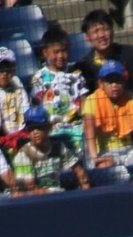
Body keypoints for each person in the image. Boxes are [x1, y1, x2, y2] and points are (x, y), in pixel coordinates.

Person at [81, 60, 133, 170]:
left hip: (130, 150)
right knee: (104, 166)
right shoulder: (92, 100)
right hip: (105, 152)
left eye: (118, 81)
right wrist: (94, 157)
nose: (114, 86)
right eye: (109, 81)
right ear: (101, 84)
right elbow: (88, 128)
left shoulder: (130, 98)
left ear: (124, 82)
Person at [31, 23, 88, 151]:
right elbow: (38, 104)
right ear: (45, 53)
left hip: (76, 127)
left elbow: (84, 100)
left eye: (64, 51)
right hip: (52, 129)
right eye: (56, 52)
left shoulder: (75, 74)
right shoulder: (39, 77)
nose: (61, 56)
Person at [75, 9, 133, 102]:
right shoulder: (84, 65)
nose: (102, 35)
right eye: (96, 31)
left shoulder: (128, 52)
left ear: (112, 31)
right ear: (87, 37)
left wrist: (131, 105)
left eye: (106, 29)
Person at [11, 105, 90, 192]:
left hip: (55, 195)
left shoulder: (58, 146)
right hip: (32, 200)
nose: (35, 132)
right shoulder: (24, 154)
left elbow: (80, 172)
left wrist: (86, 188)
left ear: (48, 127)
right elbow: (32, 189)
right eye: (31, 129)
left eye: (39, 127)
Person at [0, 46, 30, 153]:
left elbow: (26, 112)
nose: (4, 73)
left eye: (8, 69)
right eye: (0, 69)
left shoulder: (17, 83)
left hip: (19, 135)